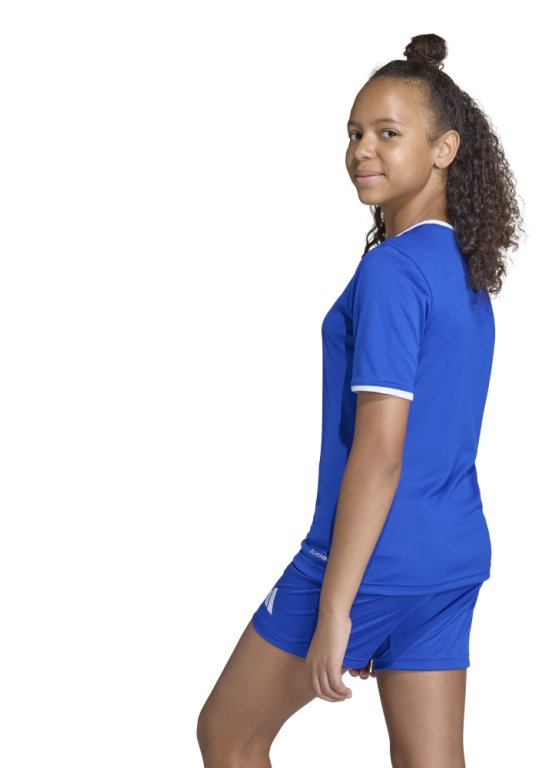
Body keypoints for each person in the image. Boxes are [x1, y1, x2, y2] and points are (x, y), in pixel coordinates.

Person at [197, 33, 520, 768]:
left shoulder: (394, 271)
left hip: (372, 555)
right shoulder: (462, 268)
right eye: (354, 132)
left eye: (388, 133)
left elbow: (381, 448)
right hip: (450, 554)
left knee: (229, 734)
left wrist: (337, 605)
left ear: (444, 150)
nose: (362, 150)